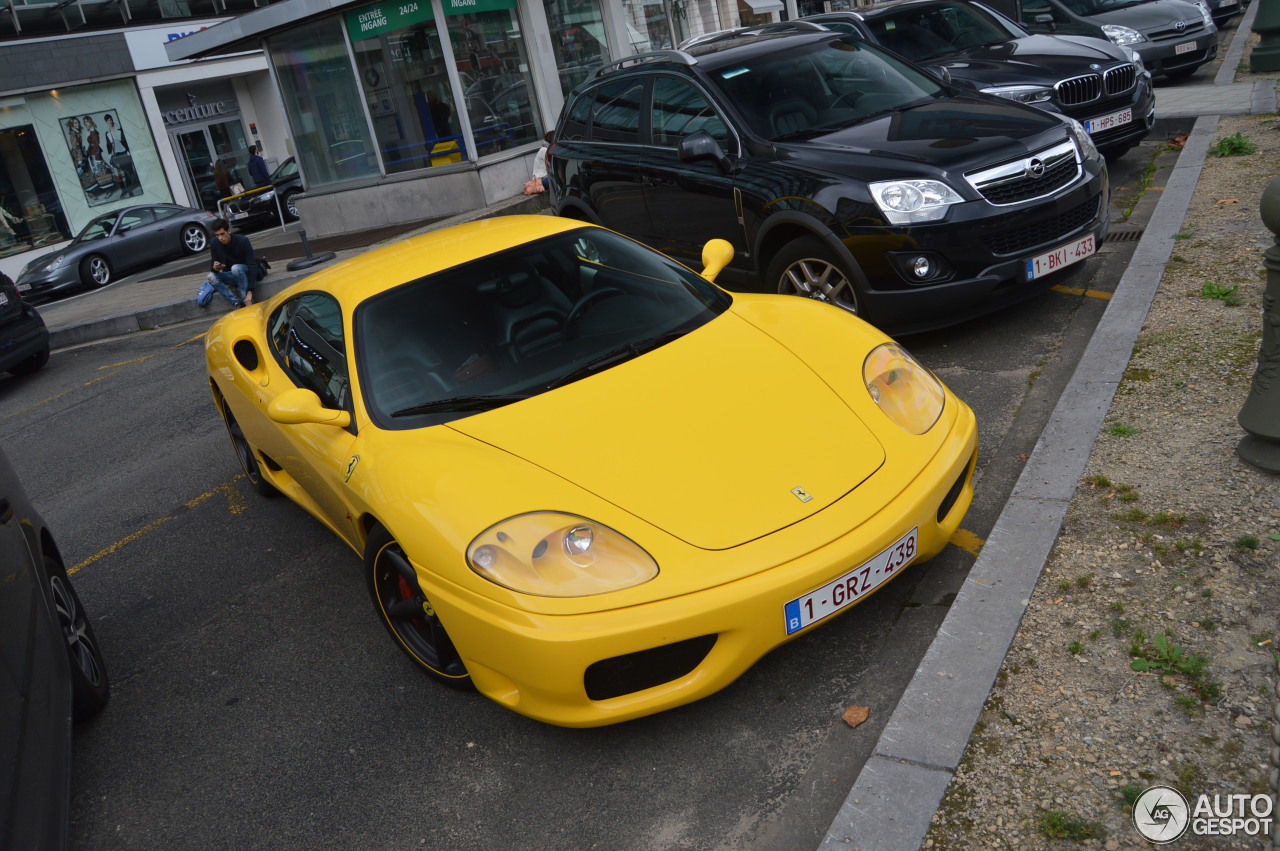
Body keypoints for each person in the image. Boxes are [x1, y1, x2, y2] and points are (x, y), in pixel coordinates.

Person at [208, 218, 262, 307]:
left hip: (245, 273)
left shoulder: (243, 241)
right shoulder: (214, 243)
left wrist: (250, 291)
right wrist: (215, 267)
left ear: (229, 231)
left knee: (235, 268)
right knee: (210, 277)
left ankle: (247, 300)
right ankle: (236, 303)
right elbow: (213, 263)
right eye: (217, 235)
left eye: (222, 234)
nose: (220, 238)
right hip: (232, 275)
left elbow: (252, 265)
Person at [103, 114, 140, 196]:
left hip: (124, 152)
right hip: (116, 155)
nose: (110, 121)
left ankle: (129, 189)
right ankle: (126, 190)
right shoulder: (107, 133)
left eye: (111, 119)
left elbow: (125, 141)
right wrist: (110, 156)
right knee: (122, 171)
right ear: (106, 122)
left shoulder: (119, 130)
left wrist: (128, 151)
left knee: (128, 171)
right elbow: (108, 146)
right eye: (108, 120)